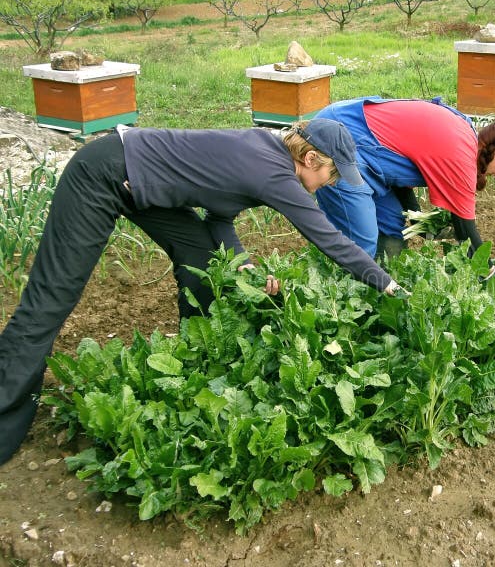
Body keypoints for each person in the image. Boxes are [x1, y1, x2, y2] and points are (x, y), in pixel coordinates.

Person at [0, 118, 403, 466]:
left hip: (140, 180)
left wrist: (242, 260)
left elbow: (219, 215)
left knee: (202, 258)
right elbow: (328, 239)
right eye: (333, 174)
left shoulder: (267, 152)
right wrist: (386, 284)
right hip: (102, 173)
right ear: (311, 159)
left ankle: (195, 360)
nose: (331, 183)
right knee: (52, 298)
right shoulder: (275, 174)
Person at [312, 97, 495, 259]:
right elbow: (466, 231)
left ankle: (386, 292)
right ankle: (353, 300)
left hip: (369, 158)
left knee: (391, 225)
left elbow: (398, 167)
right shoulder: (461, 155)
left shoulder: (465, 136)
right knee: (364, 241)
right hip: (338, 139)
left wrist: (415, 216)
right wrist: (488, 271)